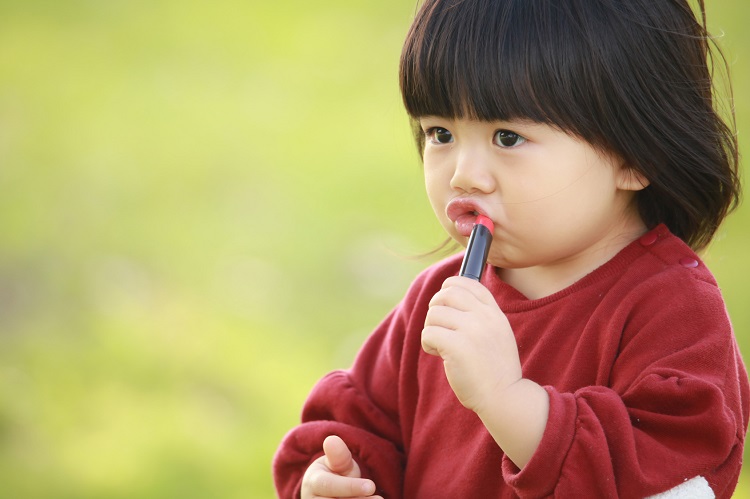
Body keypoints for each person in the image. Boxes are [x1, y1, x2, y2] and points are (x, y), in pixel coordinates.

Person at [273, 0, 749, 497]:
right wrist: (335, 478)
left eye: (507, 136)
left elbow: (674, 480)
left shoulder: (673, 310)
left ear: (636, 155)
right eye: (441, 134)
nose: (463, 174)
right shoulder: (440, 298)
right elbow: (358, 420)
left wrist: (507, 400)